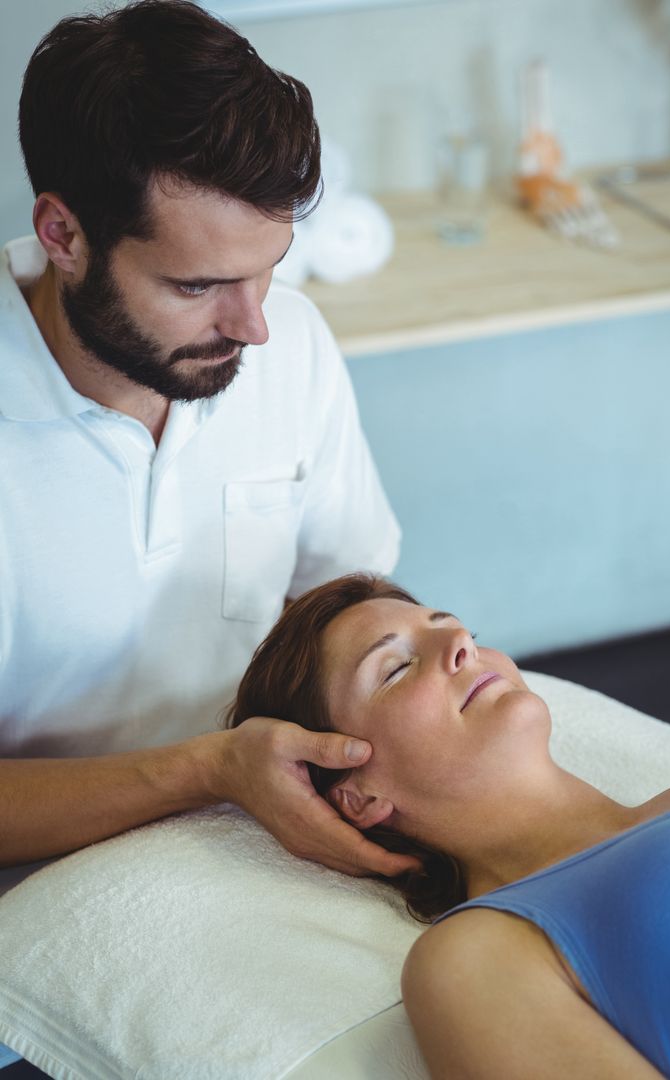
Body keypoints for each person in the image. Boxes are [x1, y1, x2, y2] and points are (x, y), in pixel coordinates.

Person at [0, 0, 414, 885]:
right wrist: (207, 770)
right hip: (41, 879)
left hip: (256, 834)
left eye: (270, 270)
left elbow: (341, 602)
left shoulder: (287, 342)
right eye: (199, 285)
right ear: (62, 235)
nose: (255, 326)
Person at [227, 572, 670, 1079]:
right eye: (395, 669)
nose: (461, 643)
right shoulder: (473, 961)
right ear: (359, 797)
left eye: (462, 630)